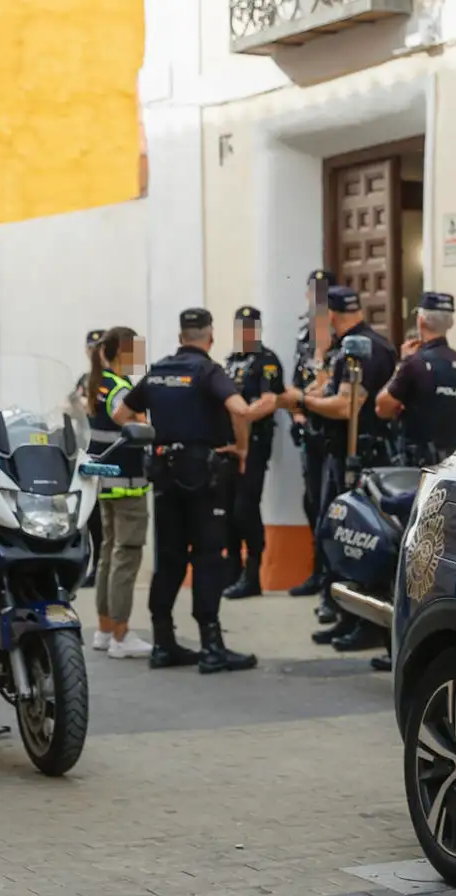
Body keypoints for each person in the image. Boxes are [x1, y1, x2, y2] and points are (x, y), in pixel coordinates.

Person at [113, 308, 276, 673]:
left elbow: (121, 414)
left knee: (169, 557)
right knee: (207, 556)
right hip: (202, 477)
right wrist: (241, 448)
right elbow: (240, 410)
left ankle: (163, 644)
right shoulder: (207, 371)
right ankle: (211, 647)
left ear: (180, 336)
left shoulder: (157, 371)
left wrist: (156, 434)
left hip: (164, 476)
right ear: (210, 337)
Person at [279, 284, 398, 653]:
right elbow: (327, 390)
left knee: (360, 537)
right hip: (337, 454)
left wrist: (300, 399)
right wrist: (307, 396)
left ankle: (366, 624)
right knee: (340, 534)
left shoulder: (364, 349)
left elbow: (347, 406)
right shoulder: (345, 348)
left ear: (329, 314)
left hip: (361, 456)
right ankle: (347, 614)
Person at [84, 326, 155, 659]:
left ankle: (104, 629)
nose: (139, 357)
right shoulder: (120, 388)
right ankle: (121, 635)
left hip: (105, 483)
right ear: (121, 353)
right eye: (135, 351)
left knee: (108, 555)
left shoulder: (97, 384)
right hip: (126, 483)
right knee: (126, 555)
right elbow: (130, 421)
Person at [222, 305, 286, 600]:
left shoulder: (267, 361)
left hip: (255, 446)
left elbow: (270, 400)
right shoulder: (230, 361)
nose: (245, 333)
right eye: (241, 327)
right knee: (227, 510)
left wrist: (243, 414)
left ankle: (252, 575)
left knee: (245, 508)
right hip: (229, 446)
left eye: (250, 328)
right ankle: (232, 570)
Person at [377, 291, 456, 467]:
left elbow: (382, 408)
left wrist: (402, 364)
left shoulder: (415, 364)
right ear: (451, 323)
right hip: (452, 464)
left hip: (416, 466)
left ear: (420, 320)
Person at [288, 270, 335, 604]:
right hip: (309, 430)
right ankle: (318, 571)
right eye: (313, 293)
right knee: (312, 503)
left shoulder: (337, 336)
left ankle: (332, 577)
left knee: (330, 505)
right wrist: (297, 414)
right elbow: (295, 382)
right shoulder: (304, 335)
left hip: (332, 431)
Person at [72, 328, 108, 589]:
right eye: (91, 348)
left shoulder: (111, 379)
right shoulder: (85, 379)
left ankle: (101, 567)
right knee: (90, 516)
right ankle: (93, 566)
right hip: (87, 452)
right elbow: (69, 405)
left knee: (108, 520)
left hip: (109, 456)